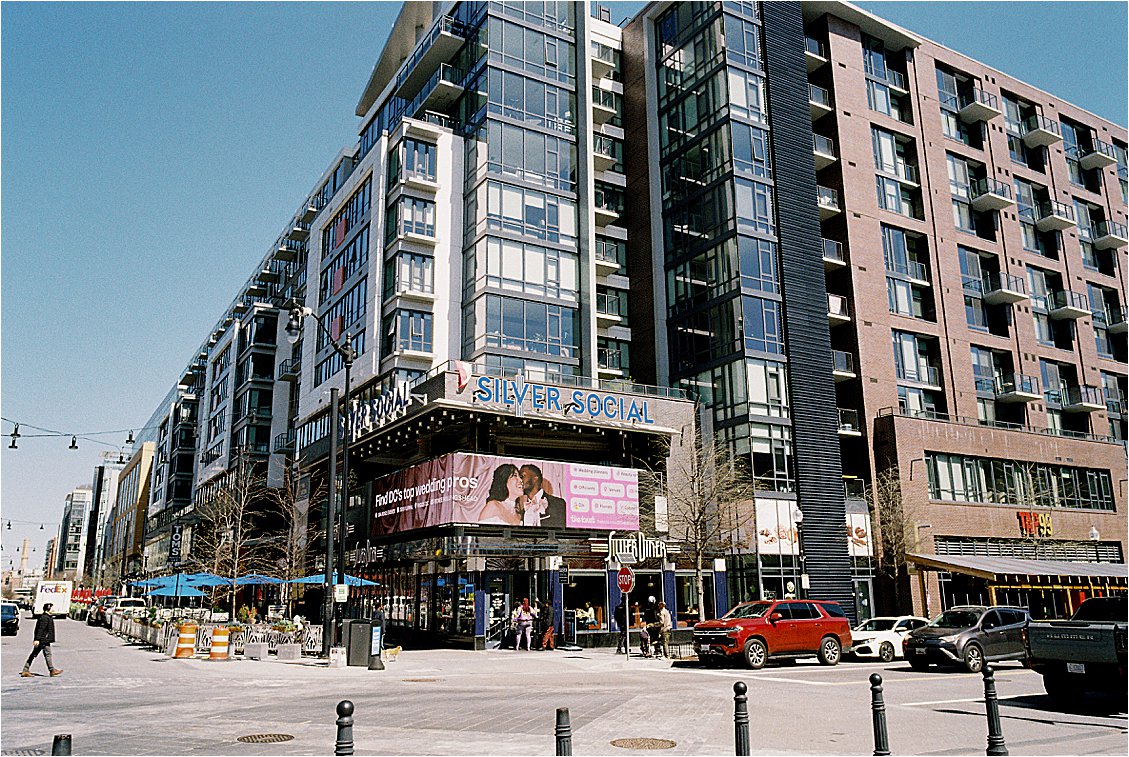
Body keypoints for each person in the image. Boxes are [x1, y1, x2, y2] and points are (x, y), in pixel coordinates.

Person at [21, 603, 62, 677]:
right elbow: (41, 629)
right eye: (52, 608)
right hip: (43, 640)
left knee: (34, 654)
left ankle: (25, 670)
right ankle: (51, 670)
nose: (54, 609)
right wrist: (37, 639)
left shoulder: (47, 617)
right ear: (48, 608)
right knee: (47, 654)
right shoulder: (44, 618)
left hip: (43, 639)